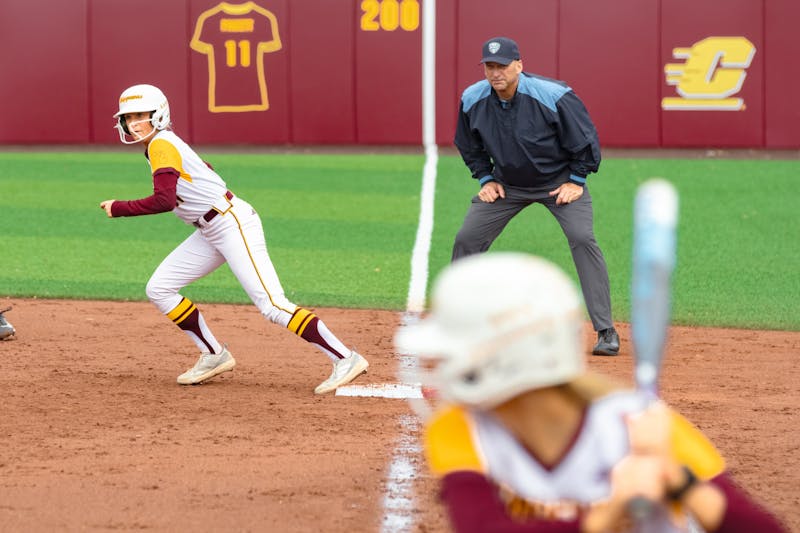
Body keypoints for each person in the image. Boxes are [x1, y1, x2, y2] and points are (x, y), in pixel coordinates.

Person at [395, 252, 787, 533]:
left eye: (455, 353)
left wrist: (679, 481)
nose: (444, 366)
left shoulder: (640, 425)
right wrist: (610, 511)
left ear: (510, 356)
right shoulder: (458, 428)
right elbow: (482, 526)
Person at [100, 84, 368, 393]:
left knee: (272, 305)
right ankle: (214, 354)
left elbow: (165, 200)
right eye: (128, 117)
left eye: (139, 116)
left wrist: (119, 208)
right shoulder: (162, 143)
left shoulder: (161, 144)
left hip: (231, 224)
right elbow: (203, 170)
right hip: (211, 229)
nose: (133, 123)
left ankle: (345, 358)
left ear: (158, 115)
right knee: (160, 288)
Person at [452, 36, 618, 356]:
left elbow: (585, 140)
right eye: (489, 66)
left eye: (502, 65)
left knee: (582, 238)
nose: (495, 72)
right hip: (508, 185)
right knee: (467, 238)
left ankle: (606, 329)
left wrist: (577, 180)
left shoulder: (553, 95)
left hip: (558, 184)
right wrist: (486, 178)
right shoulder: (472, 98)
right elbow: (468, 144)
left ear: (519, 65)